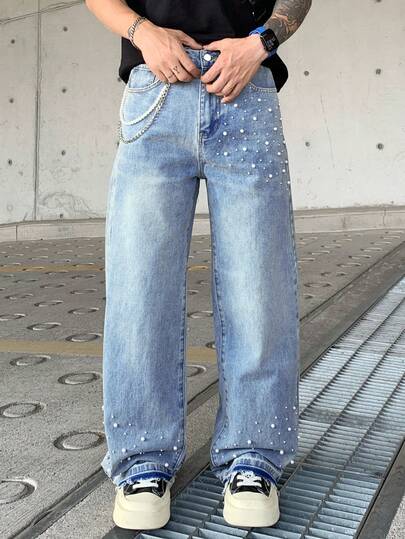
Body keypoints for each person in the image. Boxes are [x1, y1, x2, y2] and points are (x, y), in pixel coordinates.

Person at [85, 0, 312, 531]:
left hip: (246, 87)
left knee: (259, 288)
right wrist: (145, 33)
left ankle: (255, 455)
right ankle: (143, 460)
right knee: (140, 287)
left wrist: (260, 44)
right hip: (156, 90)